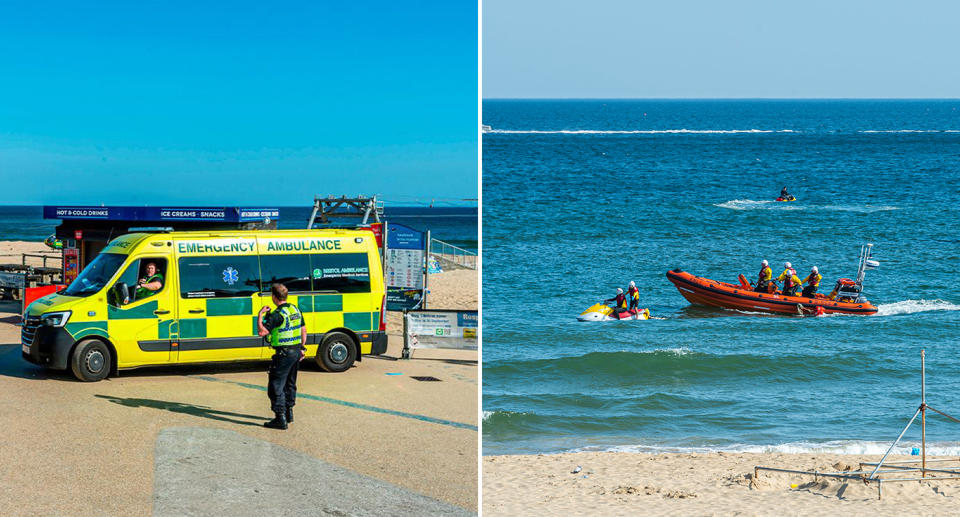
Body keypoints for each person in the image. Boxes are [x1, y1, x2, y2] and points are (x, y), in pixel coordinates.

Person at [257, 283, 307, 430]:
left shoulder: (277, 315)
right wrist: (302, 348)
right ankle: (289, 413)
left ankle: (280, 418)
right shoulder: (295, 310)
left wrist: (260, 315)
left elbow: (262, 332)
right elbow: (303, 330)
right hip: (296, 351)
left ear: (274, 296)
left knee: (276, 385)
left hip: (284, 354)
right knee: (290, 383)